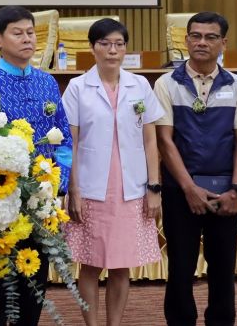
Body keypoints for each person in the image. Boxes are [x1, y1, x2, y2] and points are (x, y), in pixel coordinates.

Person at [0, 5, 72, 326]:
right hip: (0, 203)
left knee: (34, 283)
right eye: (18, 33)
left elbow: (63, 138)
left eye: (30, 33)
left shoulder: (47, 83)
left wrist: (60, 184)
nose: (27, 39)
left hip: (41, 202)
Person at [61, 19, 163, 326]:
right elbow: (71, 143)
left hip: (131, 188)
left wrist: (154, 187)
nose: (112, 50)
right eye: (105, 43)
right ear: (92, 48)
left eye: (118, 44)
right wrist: (73, 189)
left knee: (122, 266)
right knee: (90, 265)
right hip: (92, 189)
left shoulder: (140, 85)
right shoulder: (79, 88)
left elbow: (150, 141)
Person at [154, 11, 237, 326]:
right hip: (180, 192)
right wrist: (188, 188)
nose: (201, 42)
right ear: (186, 40)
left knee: (223, 270)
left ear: (223, 42)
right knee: (180, 268)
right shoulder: (166, 83)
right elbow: (165, 142)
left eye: (210, 37)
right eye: (195, 36)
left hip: (226, 193)